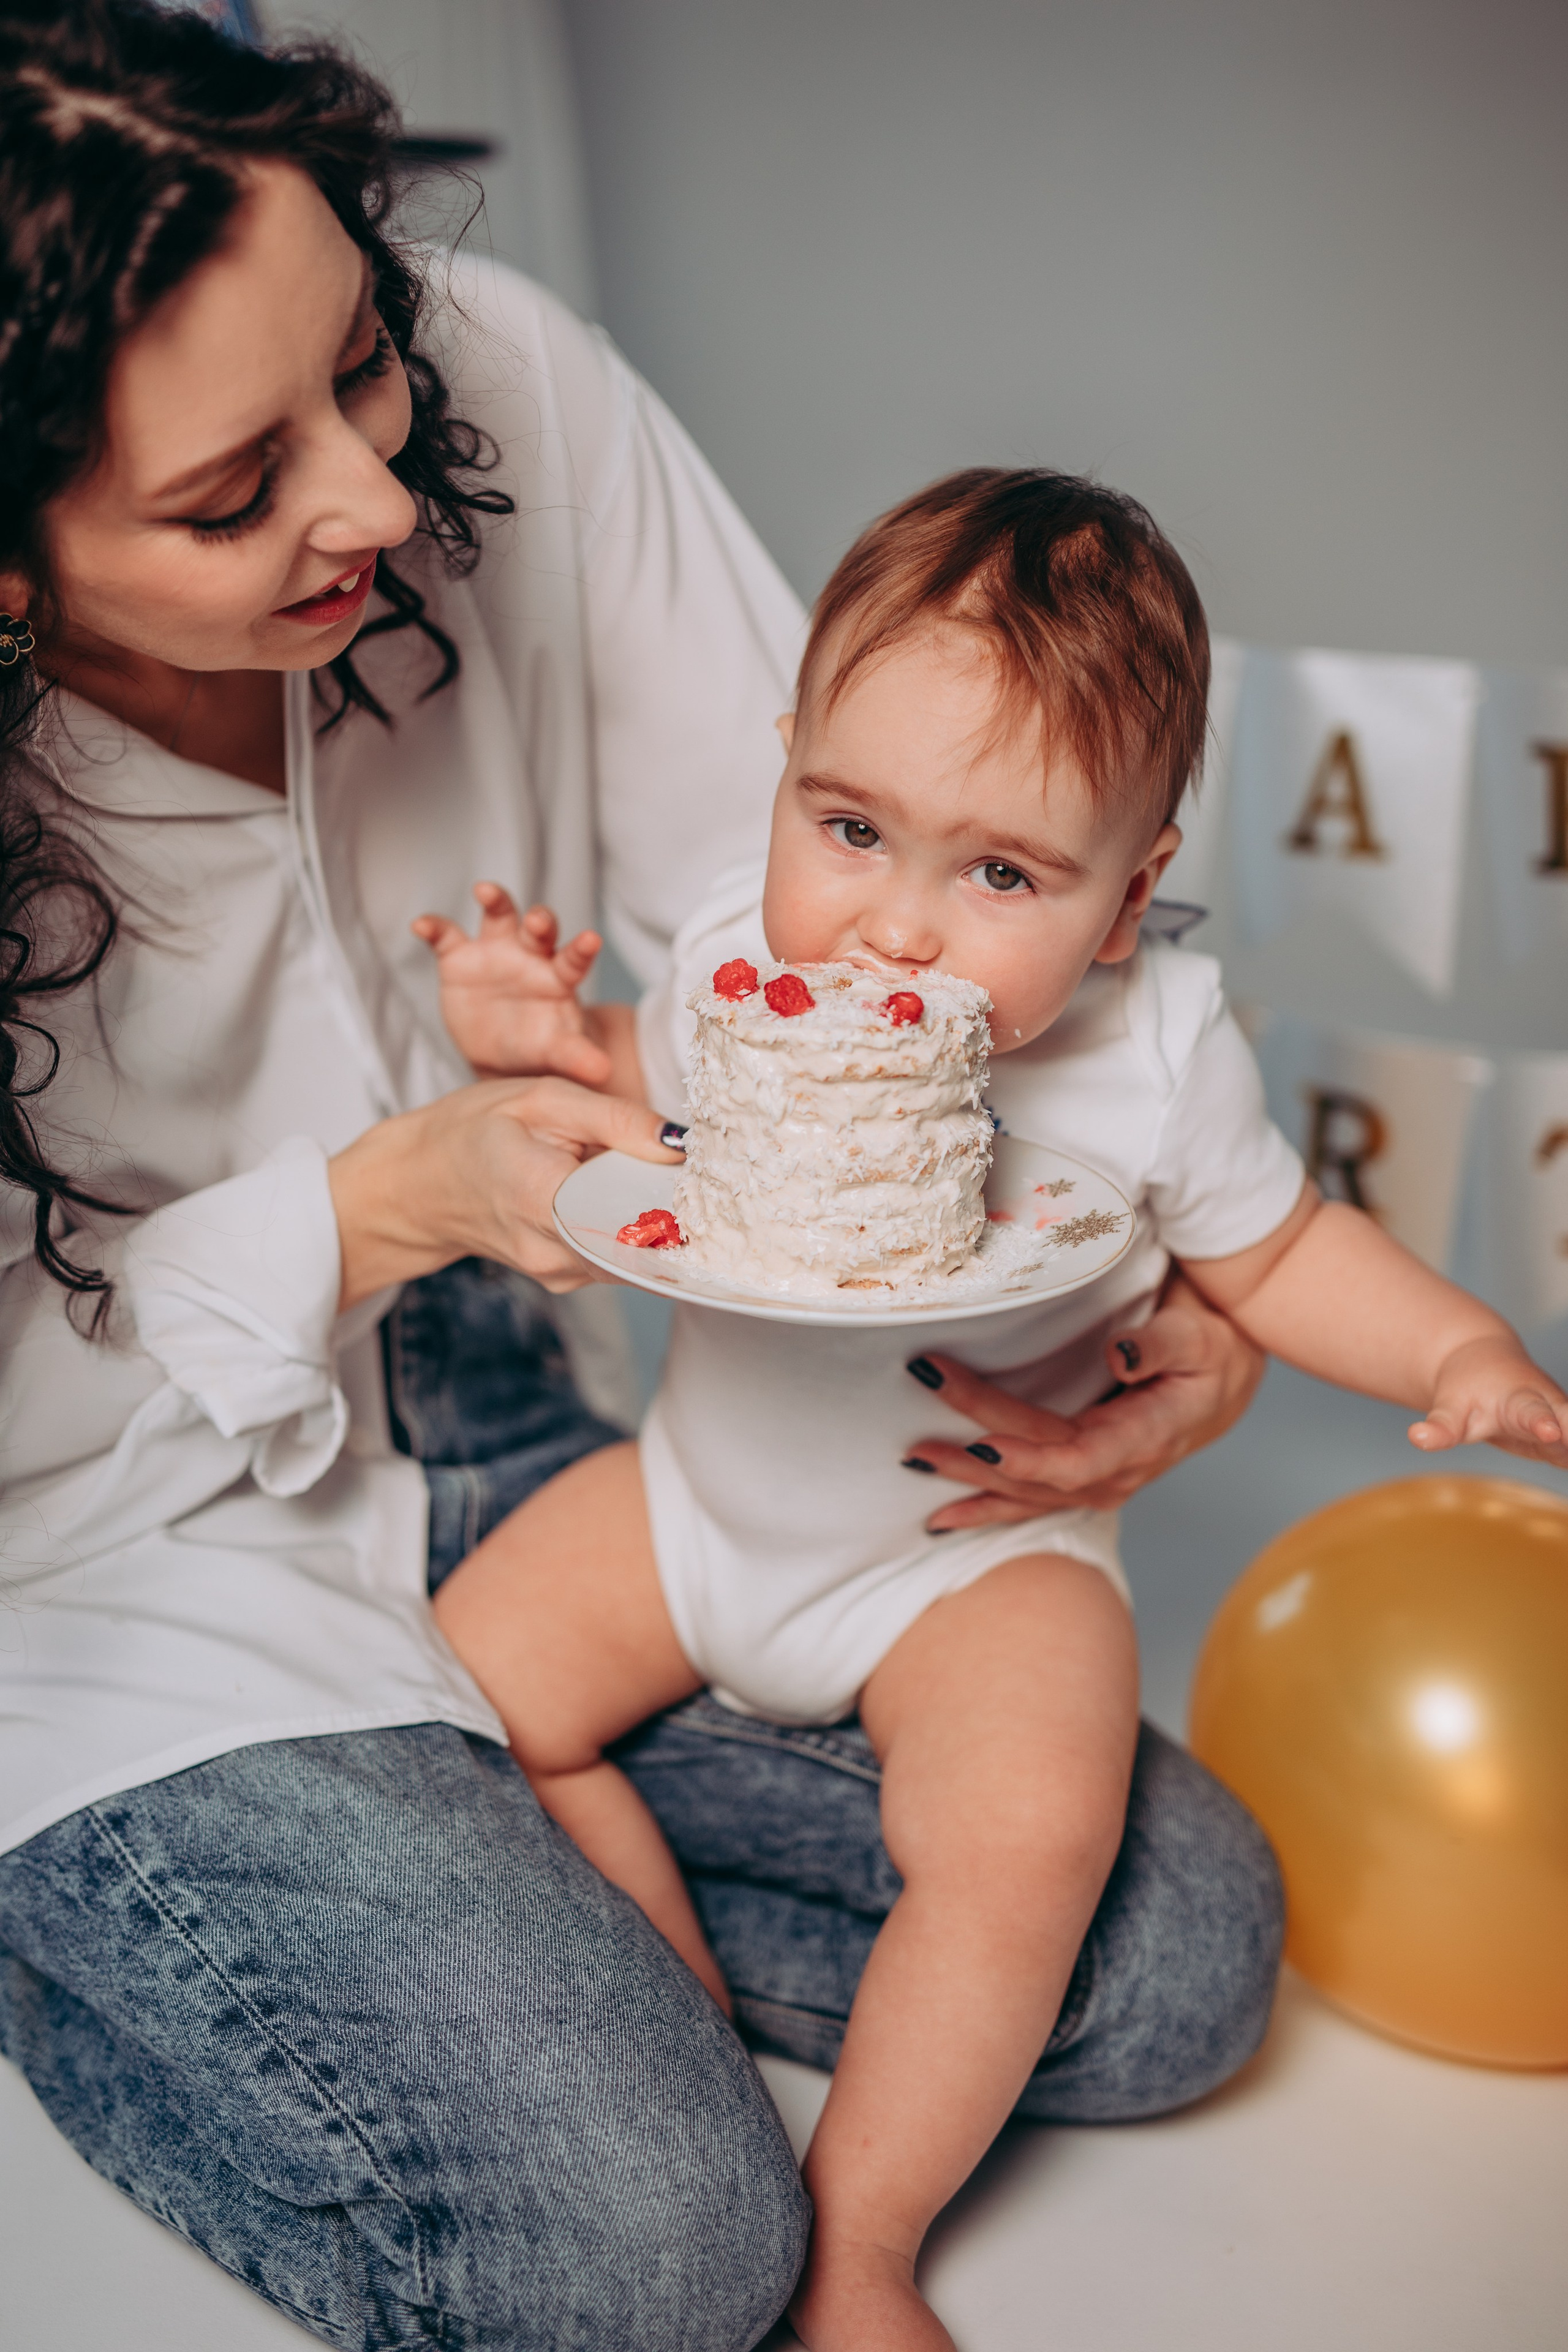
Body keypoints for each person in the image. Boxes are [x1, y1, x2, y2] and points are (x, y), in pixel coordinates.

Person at [0, 7, 1287, 2347]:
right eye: (234, 491)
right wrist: (379, 1203)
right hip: (104, 1569)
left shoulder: (490, 380)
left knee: (1175, 1955)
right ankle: (115, 1910)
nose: (375, 499)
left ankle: (489, 1921)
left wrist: (1196, 1262)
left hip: (552, 1447)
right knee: (656, 2254)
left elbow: (878, 877)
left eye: (360, 365)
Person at [421, 469, 1568, 2351]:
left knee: (1028, 1845)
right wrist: (536, 1031)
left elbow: (1284, 1251)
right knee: (472, 1695)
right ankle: (678, 2034)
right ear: (786, 775)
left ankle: (862, 2238)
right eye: (851, 828)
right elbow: (643, 1081)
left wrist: (1457, 1349)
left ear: (1128, 900)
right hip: (699, 1506)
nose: (893, 930)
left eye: (1004, 877)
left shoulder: (1159, 1056)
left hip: (969, 1556)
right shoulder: (738, 960)